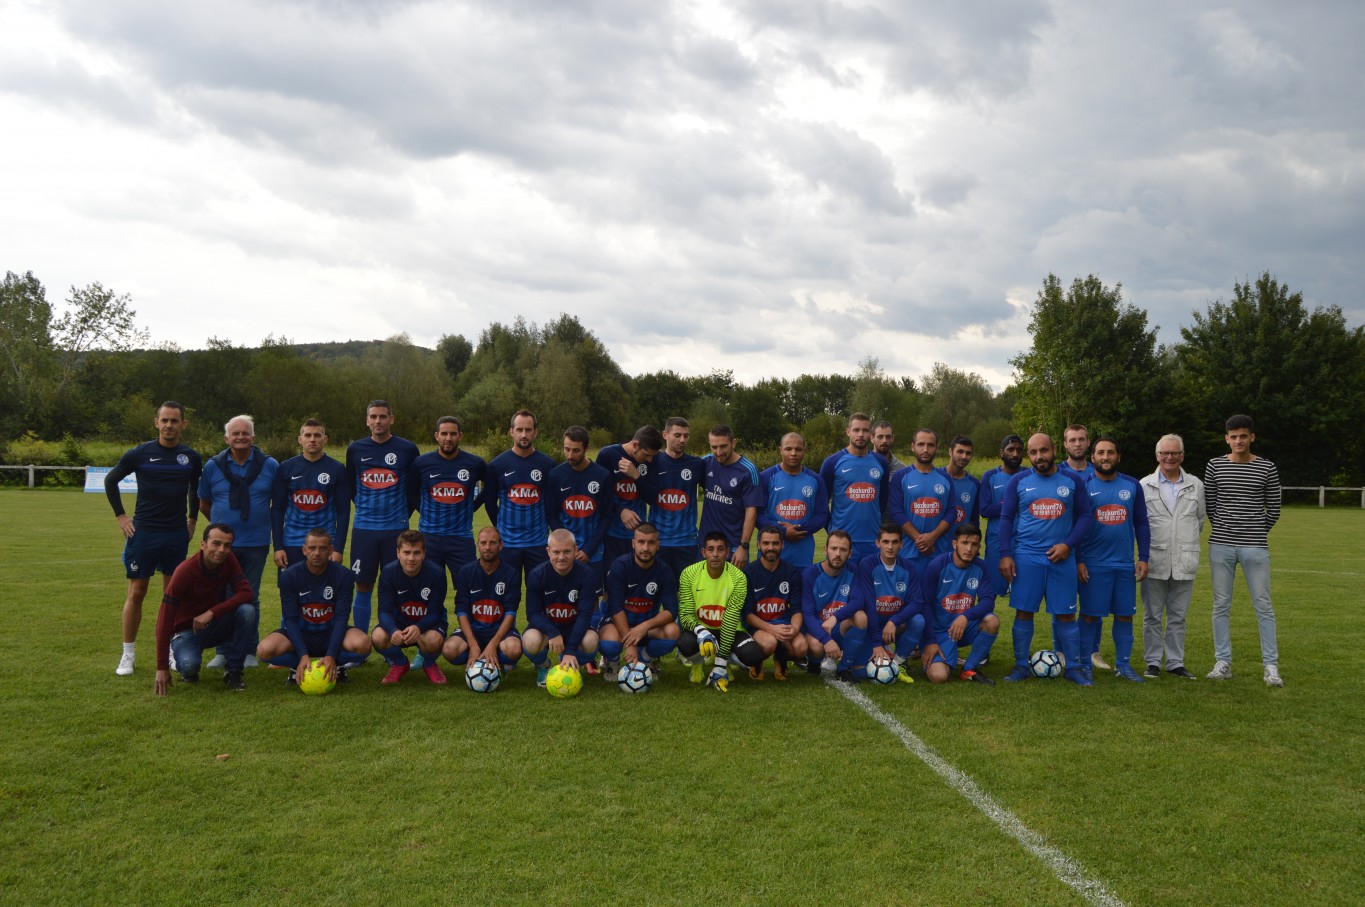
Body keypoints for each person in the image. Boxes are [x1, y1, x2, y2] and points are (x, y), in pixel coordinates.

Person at [106, 400, 202, 676]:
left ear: (183, 424)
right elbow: (111, 480)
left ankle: (171, 649)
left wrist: (192, 519)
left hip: (175, 534)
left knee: (173, 595)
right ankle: (128, 654)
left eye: (175, 420)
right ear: (156, 423)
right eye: (165, 420)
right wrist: (121, 516)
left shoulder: (190, 457)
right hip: (144, 533)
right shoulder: (140, 453)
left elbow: (195, 489)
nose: (169, 425)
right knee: (137, 592)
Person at [997, 432, 1094, 685]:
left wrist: (1068, 545)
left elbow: (1086, 516)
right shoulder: (1018, 481)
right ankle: (1021, 666)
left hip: (1062, 558)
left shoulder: (1072, 481)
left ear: (1054, 449)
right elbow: (1006, 518)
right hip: (1027, 558)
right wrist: (1006, 554)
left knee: (1066, 614)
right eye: (1033, 452)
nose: (1039, 456)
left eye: (1043, 450)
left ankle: (1073, 667)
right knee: (1024, 612)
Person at [1205, 415, 1283, 687]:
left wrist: (1255, 531)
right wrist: (1226, 528)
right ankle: (1223, 662)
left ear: (1252, 437)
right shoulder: (1215, 465)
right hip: (1221, 545)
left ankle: (1271, 666)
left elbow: (1274, 508)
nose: (1238, 441)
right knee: (1220, 605)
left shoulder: (1267, 467)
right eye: (1233, 436)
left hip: (1255, 546)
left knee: (1263, 605)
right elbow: (1211, 505)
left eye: (1243, 436)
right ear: (1226, 438)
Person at [197, 414, 277, 669]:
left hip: (256, 543)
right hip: (221, 547)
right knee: (220, 596)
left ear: (253, 437)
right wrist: (221, 531)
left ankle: (248, 650)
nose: (240, 437)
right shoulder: (213, 466)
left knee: (249, 596)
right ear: (226, 438)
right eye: (235, 433)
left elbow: (279, 503)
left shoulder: (270, 465)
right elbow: (204, 503)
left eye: (245, 433)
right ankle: (222, 651)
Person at [1076, 437, 1151, 683]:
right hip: (1093, 563)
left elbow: (1141, 522)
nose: (1105, 457)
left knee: (1124, 615)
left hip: (1123, 563)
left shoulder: (1132, 485)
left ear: (1118, 456)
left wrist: (1143, 557)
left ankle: (1123, 665)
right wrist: (1079, 559)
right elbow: (1075, 525)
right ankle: (1085, 664)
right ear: (1093, 457)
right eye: (1100, 453)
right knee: (1089, 615)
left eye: (1110, 452)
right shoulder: (1083, 485)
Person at [259, 528, 372, 685]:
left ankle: (336, 664)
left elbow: (341, 617)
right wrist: (302, 654)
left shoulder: (344, 575)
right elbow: (290, 619)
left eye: (323, 548)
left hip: (331, 633)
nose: (317, 553)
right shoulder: (289, 576)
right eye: (312, 548)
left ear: (330, 550)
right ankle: (297, 665)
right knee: (264, 650)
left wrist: (331, 654)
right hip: (301, 633)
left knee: (364, 645)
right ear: (304, 550)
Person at [153, 523, 257, 695]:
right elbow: (164, 620)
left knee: (247, 612)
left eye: (227, 545)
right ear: (203, 544)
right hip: (186, 630)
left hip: (213, 624)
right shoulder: (184, 572)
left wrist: (212, 612)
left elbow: (246, 593)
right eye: (216, 543)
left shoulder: (228, 560)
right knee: (189, 666)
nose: (222, 550)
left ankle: (233, 671)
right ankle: (177, 654)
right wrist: (161, 667)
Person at [345, 399, 420, 633]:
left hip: (396, 530)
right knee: (363, 584)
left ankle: (392, 641)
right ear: (367, 421)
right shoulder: (355, 449)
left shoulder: (407, 449)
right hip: (364, 529)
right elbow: (351, 487)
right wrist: (366, 509)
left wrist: (401, 514)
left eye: (383, 416)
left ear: (391, 419)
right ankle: (361, 642)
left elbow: (414, 489)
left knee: (396, 585)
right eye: (373, 417)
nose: (378, 421)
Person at [1138, 434, 1205, 679]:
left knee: (1178, 617)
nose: (1169, 457)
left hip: (1184, 560)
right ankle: (1153, 662)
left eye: (1174, 453)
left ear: (1182, 456)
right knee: (1152, 616)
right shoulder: (1144, 485)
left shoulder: (1196, 485)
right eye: (1165, 453)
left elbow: (1199, 520)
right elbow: (1140, 523)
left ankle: (1175, 662)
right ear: (1157, 455)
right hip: (1153, 560)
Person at [677, 532, 763, 691]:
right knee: (685, 643)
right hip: (701, 630)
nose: (715, 554)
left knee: (753, 656)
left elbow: (730, 619)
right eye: (711, 549)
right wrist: (701, 631)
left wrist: (720, 663)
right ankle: (698, 663)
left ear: (727, 552)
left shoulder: (738, 577)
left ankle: (724, 663)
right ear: (703, 552)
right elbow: (685, 614)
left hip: (729, 630)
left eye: (720, 549)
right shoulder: (689, 573)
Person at [484, 409, 558, 586]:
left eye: (528, 430)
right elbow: (489, 502)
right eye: (519, 429)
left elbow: (552, 504)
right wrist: (501, 528)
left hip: (538, 543)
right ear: (511, 432)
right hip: (508, 544)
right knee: (506, 592)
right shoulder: (497, 465)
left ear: (535, 432)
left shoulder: (548, 465)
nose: (523, 435)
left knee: (540, 592)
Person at [921, 524, 1000, 685]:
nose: (969, 549)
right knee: (939, 676)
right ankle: (943, 653)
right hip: (938, 631)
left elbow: (987, 601)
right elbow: (925, 605)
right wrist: (930, 641)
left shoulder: (980, 567)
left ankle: (969, 668)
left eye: (974, 544)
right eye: (965, 543)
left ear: (979, 547)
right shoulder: (937, 566)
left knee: (992, 621)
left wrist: (965, 616)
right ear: (954, 544)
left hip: (963, 627)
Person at [410, 416, 486, 583]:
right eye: (444, 434)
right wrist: (423, 510)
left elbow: (491, 487)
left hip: (461, 538)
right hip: (429, 537)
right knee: (428, 588)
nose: (448, 438)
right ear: (437, 436)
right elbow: (410, 492)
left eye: (453, 434)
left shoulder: (474, 463)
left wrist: (472, 506)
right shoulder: (421, 463)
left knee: (470, 587)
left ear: (460, 435)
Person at [599, 523, 680, 679]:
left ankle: (645, 659)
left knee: (673, 631)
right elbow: (615, 609)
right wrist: (630, 643)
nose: (645, 548)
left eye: (651, 543)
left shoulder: (665, 571)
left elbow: (671, 611)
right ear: (633, 543)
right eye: (641, 542)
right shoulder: (620, 566)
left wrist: (644, 627)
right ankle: (612, 662)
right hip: (619, 624)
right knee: (609, 644)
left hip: (647, 626)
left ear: (658, 545)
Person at [522, 529, 602, 687]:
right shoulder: (537, 574)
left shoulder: (587, 574)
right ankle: (544, 666)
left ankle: (573, 665)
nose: (561, 557)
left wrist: (570, 650)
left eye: (567, 551)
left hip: (574, 626)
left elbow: (585, 615)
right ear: (548, 551)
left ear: (575, 550)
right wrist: (552, 632)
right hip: (548, 628)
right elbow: (532, 614)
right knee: (530, 641)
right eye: (556, 552)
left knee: (591, 641)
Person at [443, 526, 524, 674]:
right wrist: (473, 644)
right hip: (474, 629)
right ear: (477, 545)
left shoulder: (511, 573)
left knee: (514, 650)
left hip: (498, 629)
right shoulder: (466, 572)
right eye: (483, 543)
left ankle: (496, 658)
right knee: (449, 650)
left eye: (493, 543)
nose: (487, 547)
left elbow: (511, 613)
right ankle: (478, 656)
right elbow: (461, 611)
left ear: (501, 545)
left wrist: (493, 644)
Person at [372, 530, 449, 685]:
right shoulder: (388, 573)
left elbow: (435, 613)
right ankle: (400, 663)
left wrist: (419, 627)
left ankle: (429, 664)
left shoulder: (437, 573)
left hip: (427, 625)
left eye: (416, 553)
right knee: (378, 637)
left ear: (424, 553)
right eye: (406, 552)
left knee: (433, 640)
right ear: (398, 553)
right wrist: (393, 630)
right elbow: (384, 611)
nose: (411, 558)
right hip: (399, 624)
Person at [1061, 423, 1108, 671]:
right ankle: (1061, 652)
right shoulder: (1056, 472)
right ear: (1065, 444)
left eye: (1081, 439)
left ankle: (1092, 651)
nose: (1077, 444)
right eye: (1072, 440)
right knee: (1063, 604)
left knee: (1094, 605)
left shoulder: (1099, 471)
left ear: (1089, 443)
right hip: (1065, 550)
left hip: (1095, 550)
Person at [851, 522, 924, 683]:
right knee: (860, 672)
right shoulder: (867, 565)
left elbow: (917, 602)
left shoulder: (909, 567)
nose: (890, 547)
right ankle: (880, 649)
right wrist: (876, 643)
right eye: (885, 542)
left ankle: (898, 663)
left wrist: (893, 621)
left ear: (901, 544)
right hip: (872, 625)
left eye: (894, 542)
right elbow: (869, 605)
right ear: (878, 543)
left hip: (896, 625)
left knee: (918, 620)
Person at [271, 418, 348, 569]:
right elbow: (277, 509)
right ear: (300, 439)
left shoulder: (337, 469)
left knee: (324, 584)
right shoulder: (286, 467)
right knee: (291, 584)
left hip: (324, 543)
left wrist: (338, 549)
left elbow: (343, 512)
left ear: (325, 439)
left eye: (317, 435)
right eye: (308, 435)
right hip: (292, 542)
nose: (312, 439)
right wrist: (278, 547)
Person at [819, 412, 890, 563]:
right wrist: (831, 529)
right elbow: (821, 502)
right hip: (842, 541)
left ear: (871, 434)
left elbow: (882, 500)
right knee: (840, 578)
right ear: (848, 431)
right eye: (856, 430)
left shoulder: (881, 463)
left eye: (865, 430)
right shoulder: (832, 462)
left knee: (871, 578)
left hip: (872, 540)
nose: (861, 434)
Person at [742, 525, 807, 680]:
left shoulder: (791, 572)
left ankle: (781, 658)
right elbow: (748, 615)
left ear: (782, 545)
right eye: (766, 543)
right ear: (758, 545)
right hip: (759, 627)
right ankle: (756, 662)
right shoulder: (749, 573)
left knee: (801, 647)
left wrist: (794, 629)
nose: (770, 548)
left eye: (775, 543)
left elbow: (796, 609)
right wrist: (772, 629)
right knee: (769, 643)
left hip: (783, 624)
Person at [646, 417, 707, 578]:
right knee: (656, 588)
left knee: (687, 590)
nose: (682, 440)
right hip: (658, 541)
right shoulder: (652, 461)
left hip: (687, 542)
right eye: (677, 435)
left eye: (686, 436)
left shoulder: (697, 464)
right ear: (665, 435)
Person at [801, 530, 865, 681]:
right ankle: (814, 662)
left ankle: (843, 668)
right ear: (825, 550)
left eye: (843, 550)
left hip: (838, 626)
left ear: (850, 554)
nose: (838, 554)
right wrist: (826, 640)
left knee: (861, 617)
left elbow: (858, 601)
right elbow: (807, 615)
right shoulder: (810, 574)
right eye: (834, 548)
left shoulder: (853, 571)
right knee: (817, 647)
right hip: (816, 628)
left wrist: (834, 618)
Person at [758, 432, 829, 566]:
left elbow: (822, 515)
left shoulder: (816, 480)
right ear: (780, 450)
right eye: (788, 449)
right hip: (771, 554)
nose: (793, 453)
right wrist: (783, 532)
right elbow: (758, 515)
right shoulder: (766, 477)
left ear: (804, 451)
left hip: (802, 554)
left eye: (798, 449)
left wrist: (798, 530)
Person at [697, 424, 763, 568]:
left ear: (733, 443)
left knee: (735, 584)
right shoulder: (706, 462)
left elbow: (751, 511)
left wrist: (743, 546)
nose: (719, 452)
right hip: (706, 546)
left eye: (723, 446)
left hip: (733, 548)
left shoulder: (748, 470)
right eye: (714, 447)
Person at [596, 425, 663, 565]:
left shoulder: (654, 459)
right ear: (635, 445)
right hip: (611, 533)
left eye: (652, 456)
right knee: (613, 575)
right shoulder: (607, 455)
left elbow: (652, 498)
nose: (650, 459)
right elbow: (599, 495)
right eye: (646, 454)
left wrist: (636, 476)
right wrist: (620, 510)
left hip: (637, 536)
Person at [888, 428, 953, 564]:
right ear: (913, 447)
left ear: (937, 448)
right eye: (921, 444)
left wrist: (933, 537)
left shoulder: (945, 478)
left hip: (938, 551)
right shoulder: (900, 477)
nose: (925, 449)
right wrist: (920, 539)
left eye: (930, 445)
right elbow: (896, 511)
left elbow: (951, 512)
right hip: (909, 552)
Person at [979, 434, 1024, 597]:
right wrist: (1011, 504)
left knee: (1024, 594)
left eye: (1019, 450)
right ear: (1001, 453)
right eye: (1010, 449)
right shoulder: (990, 476)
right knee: (990, 592)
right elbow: (984, 510)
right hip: (996, 542)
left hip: (1024, 543)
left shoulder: (1029, 474)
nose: (1015, 454)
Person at [944, 435, 981, 532]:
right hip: (938, 539)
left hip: (962, 539)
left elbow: (974, 519)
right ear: (950, 452)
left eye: (968, 453)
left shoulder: (975, 484)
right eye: (960, 452)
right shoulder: (936, 477)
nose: (964, 456)